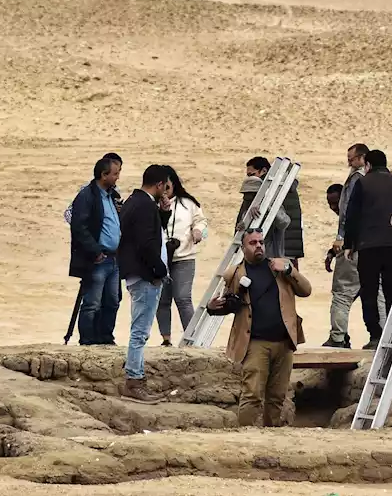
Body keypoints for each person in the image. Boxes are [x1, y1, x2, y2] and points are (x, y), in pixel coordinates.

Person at [208, 229, 312, 427]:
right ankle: (244, 435)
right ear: (243, 248)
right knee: (252, 394)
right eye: (253, 243)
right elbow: (230, 305)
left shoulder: (279, 267)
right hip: (255, 343)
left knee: (277, 396)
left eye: (261, 242)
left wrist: (289, 270)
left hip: (284, 342)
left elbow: (306, 290)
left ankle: (270, 436)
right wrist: (212, 308)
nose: (258, 246)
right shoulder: (235, 273)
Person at [343, 149, 392, 348]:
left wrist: (349, 244)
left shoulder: (362, 183)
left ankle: (374, 334)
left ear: (368, 165)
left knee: (369, 290)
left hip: (368, 245)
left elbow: (352, 215)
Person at [118, 164, 171, 404]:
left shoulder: (135, 202)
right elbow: (146, 243)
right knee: (140, 330)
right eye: (165, 187)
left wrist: (163, 214)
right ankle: (134, 380)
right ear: (159, 185)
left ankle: (135, 377)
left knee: (139, 328)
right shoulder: (144, 206)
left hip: (137, 273)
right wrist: (159, 269)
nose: (166, 192)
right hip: (145, 275)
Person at [68, 157, 124, 346]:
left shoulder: (112, 196)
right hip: (98, 259)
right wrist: (95, 251)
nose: (118, 177)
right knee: (92, 303)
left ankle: (106, 338)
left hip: (114, 259)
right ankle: (88, 341)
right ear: (104, 175)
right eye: (115, 173)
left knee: (112, 302)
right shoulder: (87, 196)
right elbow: (79, 226)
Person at [156, 165, 209, 346]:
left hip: (184, 257)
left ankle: (192, 338)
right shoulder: (151, 203)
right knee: (162, 300)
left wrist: (198, 231)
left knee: (183, 298)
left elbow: (201, 221)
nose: (164, 187)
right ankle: (166, 339)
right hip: (160, 258)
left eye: (167, 182)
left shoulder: (188, 203)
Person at [326, 143, 371, 348]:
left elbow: (347, 214)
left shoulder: (356, 180)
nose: (349, 163)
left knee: (342, 294)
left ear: (362, 158)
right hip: (371, 246)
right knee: (375, 293)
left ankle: (337, 338)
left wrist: (341, 239)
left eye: (351, 159)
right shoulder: (375, 181)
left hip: (352, 246)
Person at [239, 157, 292, 260]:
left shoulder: (273, 197)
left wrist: (266, 209)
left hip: (272, 257)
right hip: (253, 258)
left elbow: (284, 222)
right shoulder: (248, 206)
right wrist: (242, 225)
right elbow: (243, 231)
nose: (247, 198)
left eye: (252, 175)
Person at [64, 152, 123, 226]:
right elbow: (69, 214)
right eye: (115, 173)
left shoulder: (115, 191)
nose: (118, 176)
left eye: (119, 171)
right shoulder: (87, 190)